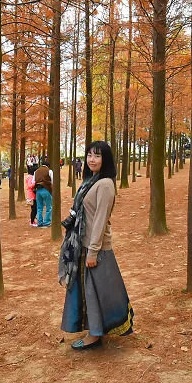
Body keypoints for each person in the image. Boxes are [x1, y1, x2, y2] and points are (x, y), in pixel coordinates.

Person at [59, 140, 134, 350]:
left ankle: (95, 334)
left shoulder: (105, 185)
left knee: (97, 291)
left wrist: (93, 251)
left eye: (97, 155)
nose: (92, 159)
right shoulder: (91, 180)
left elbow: (100, 220)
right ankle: (95, 329)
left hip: (97, 247)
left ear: (106, 159)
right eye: (89, 155)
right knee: (89, 290)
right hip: (84, 244)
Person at [33, 161, 53, 228]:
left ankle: (40, 222)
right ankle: (47, 222)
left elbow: (33, 181)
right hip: (46, 189)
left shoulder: (36, 171)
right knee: (48, 207)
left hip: (38, 190)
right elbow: (53, 181)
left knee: (39, 207)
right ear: (48, 166)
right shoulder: (49, 171)